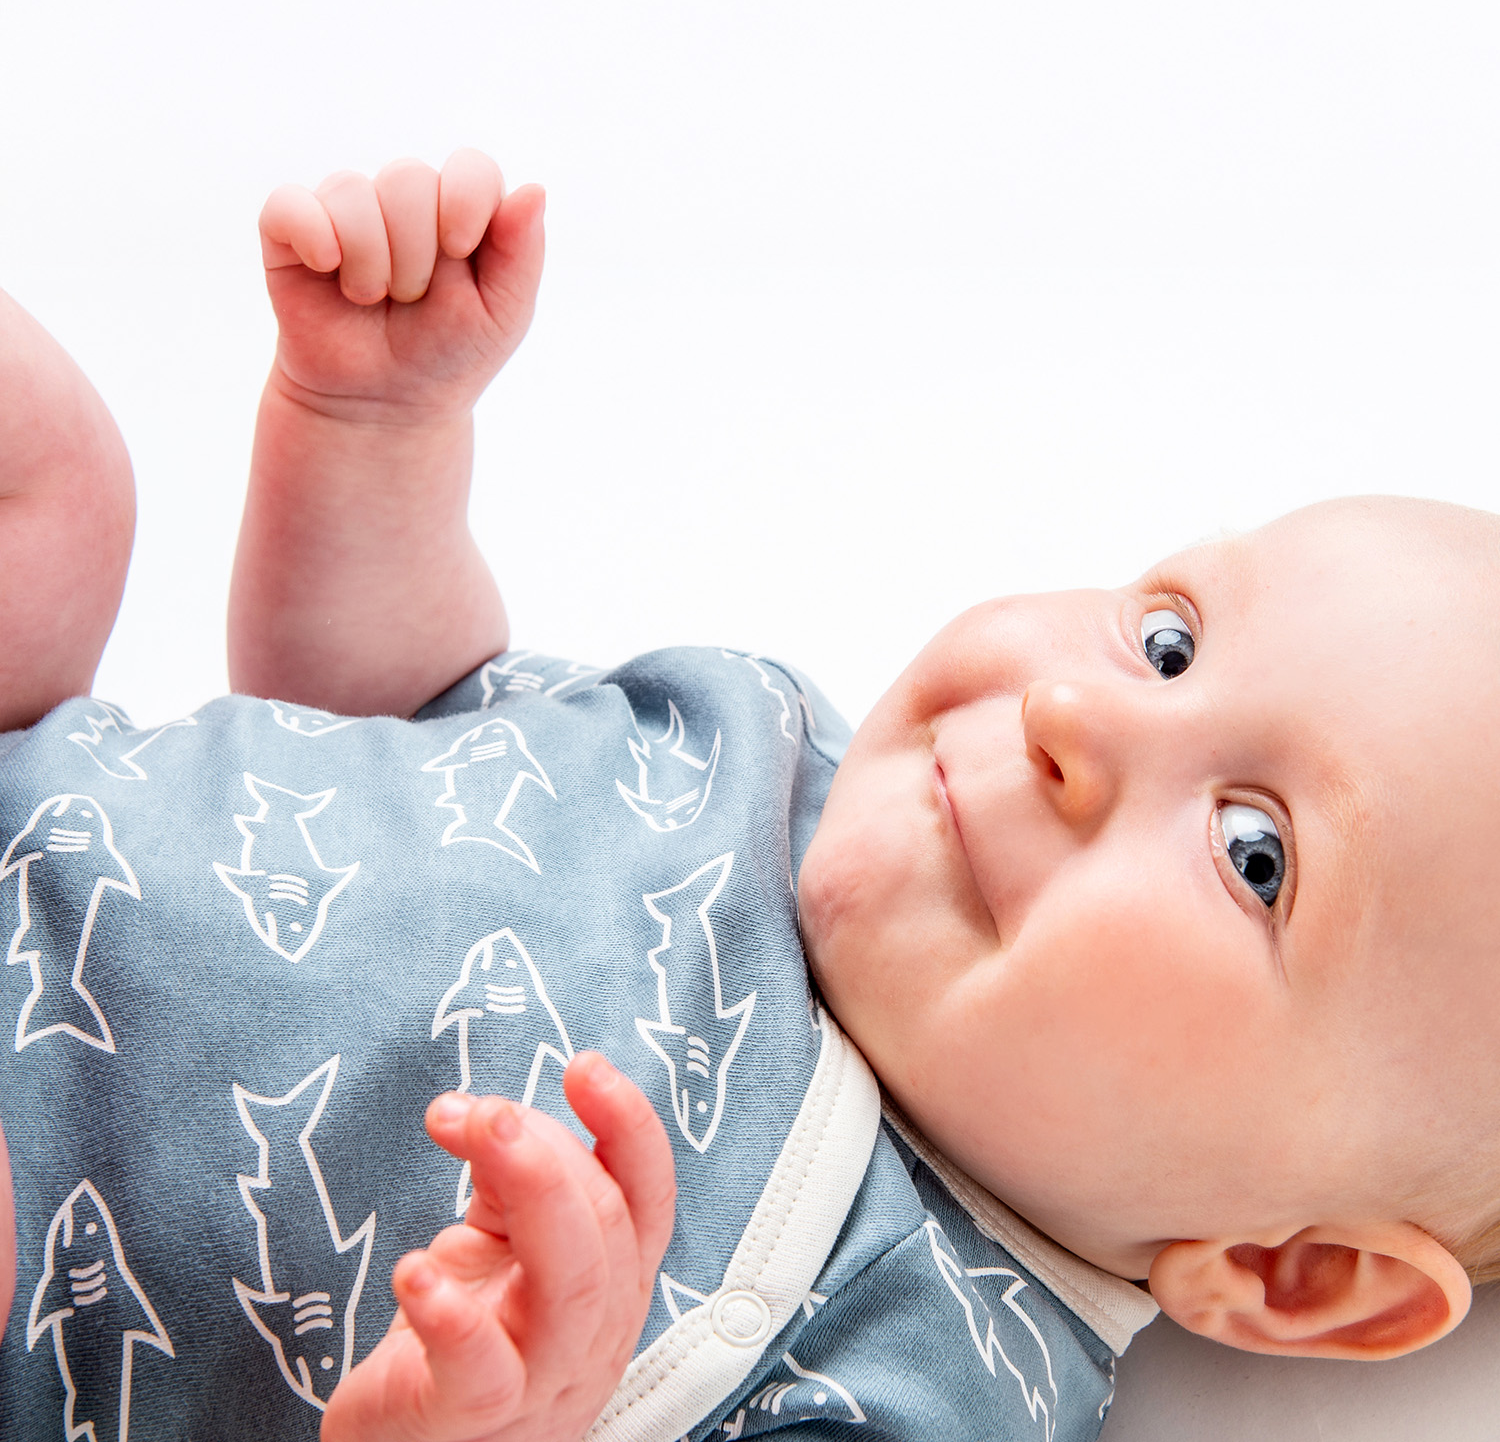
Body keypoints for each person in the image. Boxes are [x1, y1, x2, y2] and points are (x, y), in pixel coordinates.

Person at [0, 151, 1496, 1442]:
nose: (1070, 716)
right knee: (58, 478)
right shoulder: (753, 737)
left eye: (1254, 854)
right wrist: (377, 432)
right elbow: (373, 730)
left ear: (1292, 1277)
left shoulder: (931, 1362)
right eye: (1169, 640)